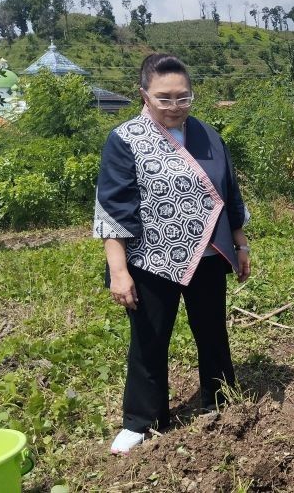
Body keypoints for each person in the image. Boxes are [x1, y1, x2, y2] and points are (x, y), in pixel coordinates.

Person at [94, 54, 251, 454]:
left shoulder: (207, 135)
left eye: (184, 98)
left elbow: (230, 193)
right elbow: (114, 208)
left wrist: (241, 244)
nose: (176, 107)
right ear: (143, 94)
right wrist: (118, 271)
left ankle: (218, 401)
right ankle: (142, 420)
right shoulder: (125, 139)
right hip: (152, 259)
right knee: (149, 338)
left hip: (209, 254)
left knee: (212, 331)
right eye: (164, 99)